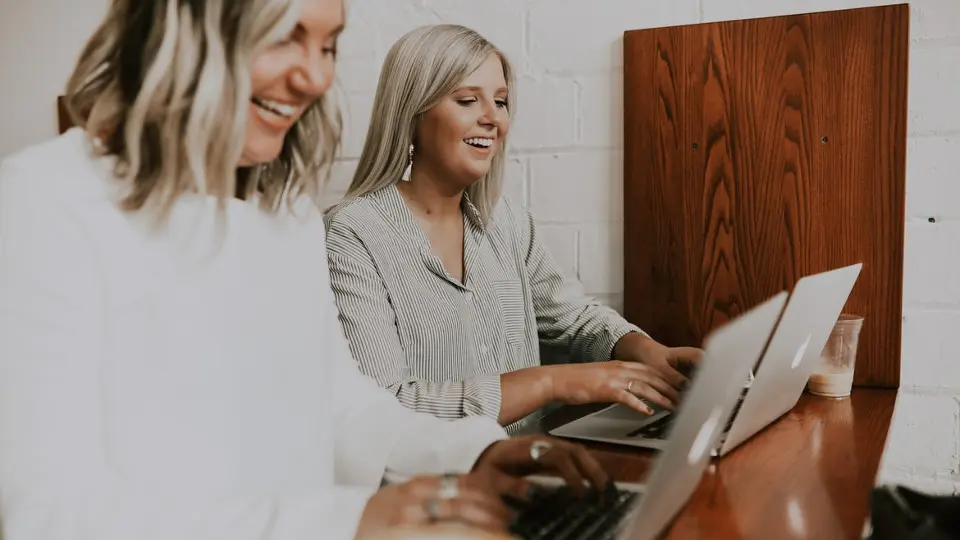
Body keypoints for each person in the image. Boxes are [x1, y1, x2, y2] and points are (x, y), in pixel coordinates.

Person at [0, 2, 610, 539]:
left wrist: (476, 453)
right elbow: (47, 516)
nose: (315, 76)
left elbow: (344, 410)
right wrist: (350, 524)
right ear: (188, 27)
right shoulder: (44, 201)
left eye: (328, 44)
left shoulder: (285, 213)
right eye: (284, 36)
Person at [324, 24, 704, 432]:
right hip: (434, 489)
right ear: (412, 114)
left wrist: (647, 351)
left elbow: (573, 319)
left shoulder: (506, 223)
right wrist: (551, 382)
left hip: (530, 472)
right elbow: (387, 408)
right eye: (468, 100)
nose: (492, 118)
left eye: (501, 102)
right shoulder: (351, 234)